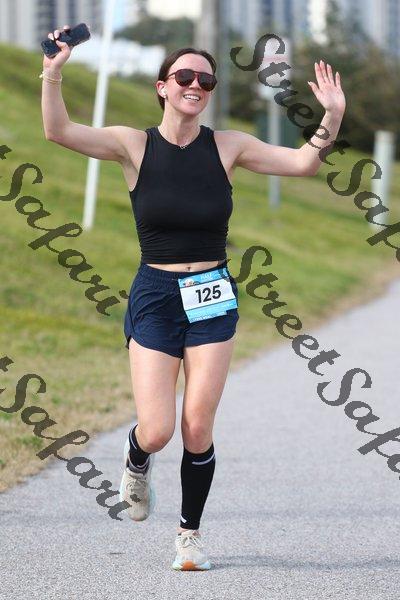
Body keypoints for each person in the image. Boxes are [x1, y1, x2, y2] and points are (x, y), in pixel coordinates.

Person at [41, 25, 346, 571]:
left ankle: (189, 536)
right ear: (162, 86)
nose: (196, 86)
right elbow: (58, 131)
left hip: (211, 293)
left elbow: (304, 163)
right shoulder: (133, 145)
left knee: (198, 426)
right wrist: (53, 71)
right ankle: (137, 457)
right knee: (158, 430)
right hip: (156, 296)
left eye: (206, 80)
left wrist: (333, 116)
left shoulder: (228, 147)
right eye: (185, 76)